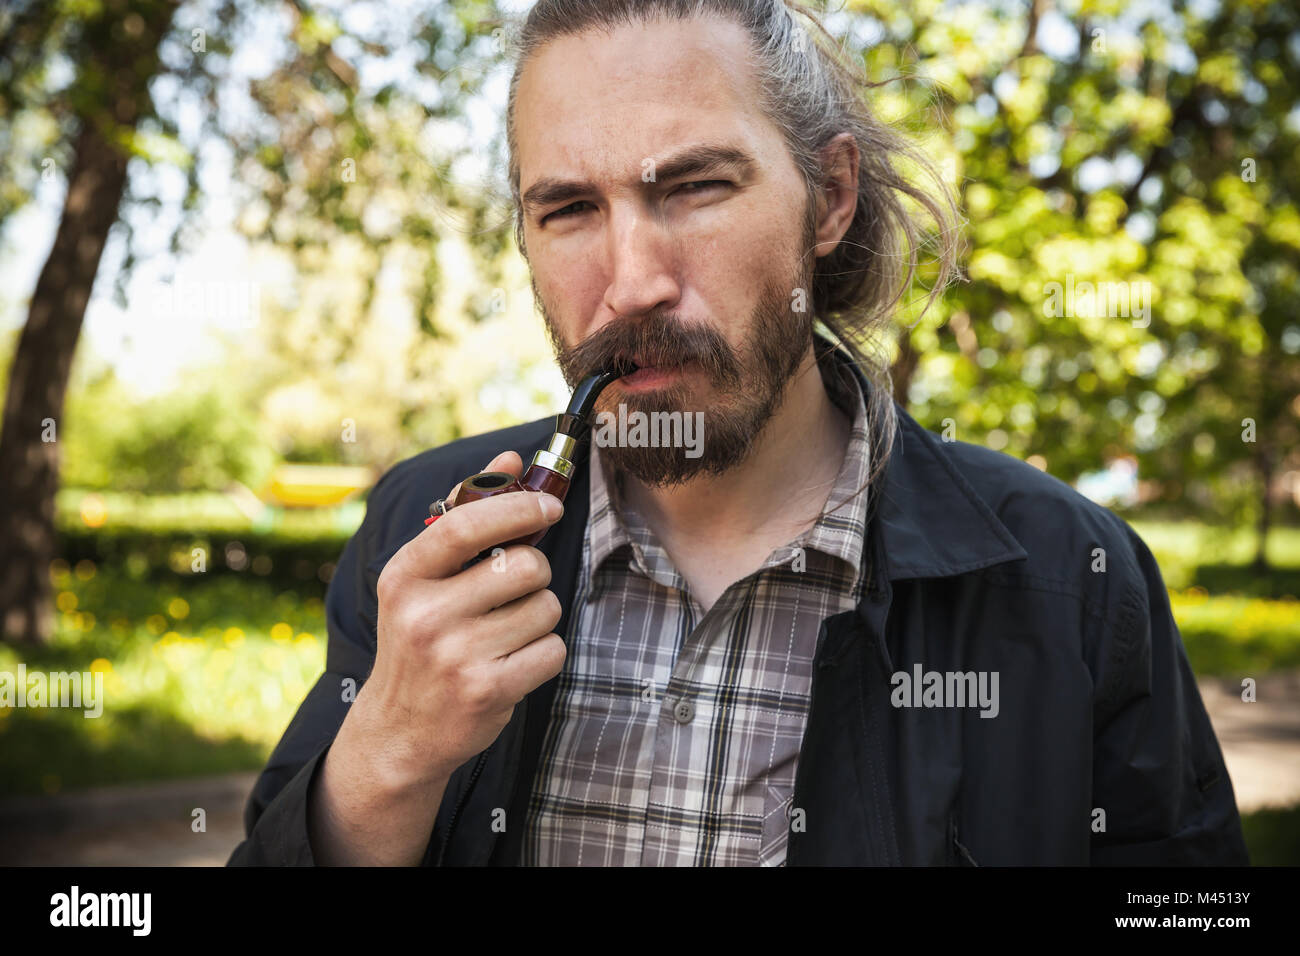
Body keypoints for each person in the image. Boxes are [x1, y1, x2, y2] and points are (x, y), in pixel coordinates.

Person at [228, 0, 1248, 866]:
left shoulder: (1073, 581)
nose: (630, 283)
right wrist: (387, 757)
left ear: (830, 197)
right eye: (570, 208)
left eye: (695, 188)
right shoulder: (427, 525)